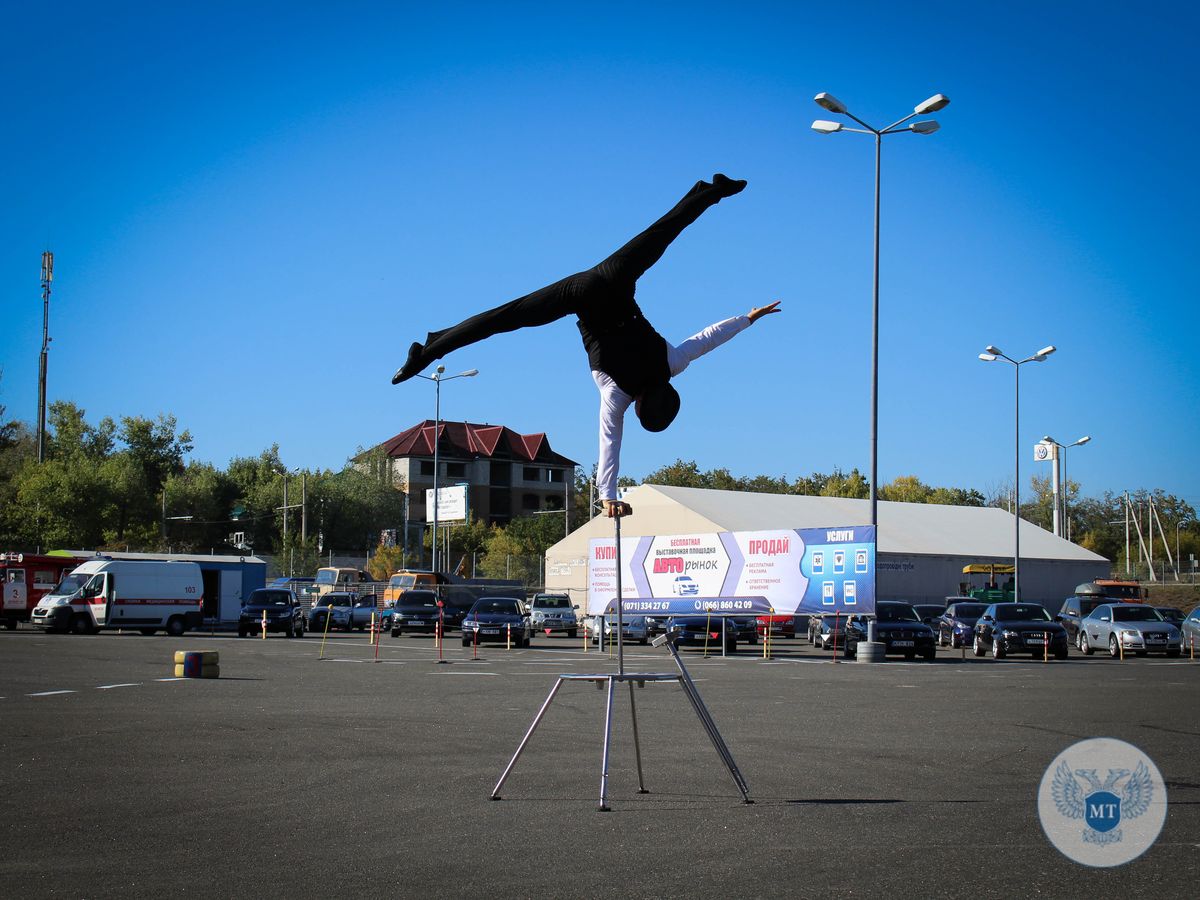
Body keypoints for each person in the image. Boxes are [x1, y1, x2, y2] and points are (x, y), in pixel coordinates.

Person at [392, 174, 781, 517]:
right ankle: (425, 353)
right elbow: (609, 444)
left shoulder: (671, 363)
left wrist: (747, 318)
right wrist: (606, 495)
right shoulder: (617, 394)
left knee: (660, 235)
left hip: (611, 278)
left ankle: (711, 191)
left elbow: (707, 339)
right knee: (504, 318)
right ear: (642, 406)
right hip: (580, 294)